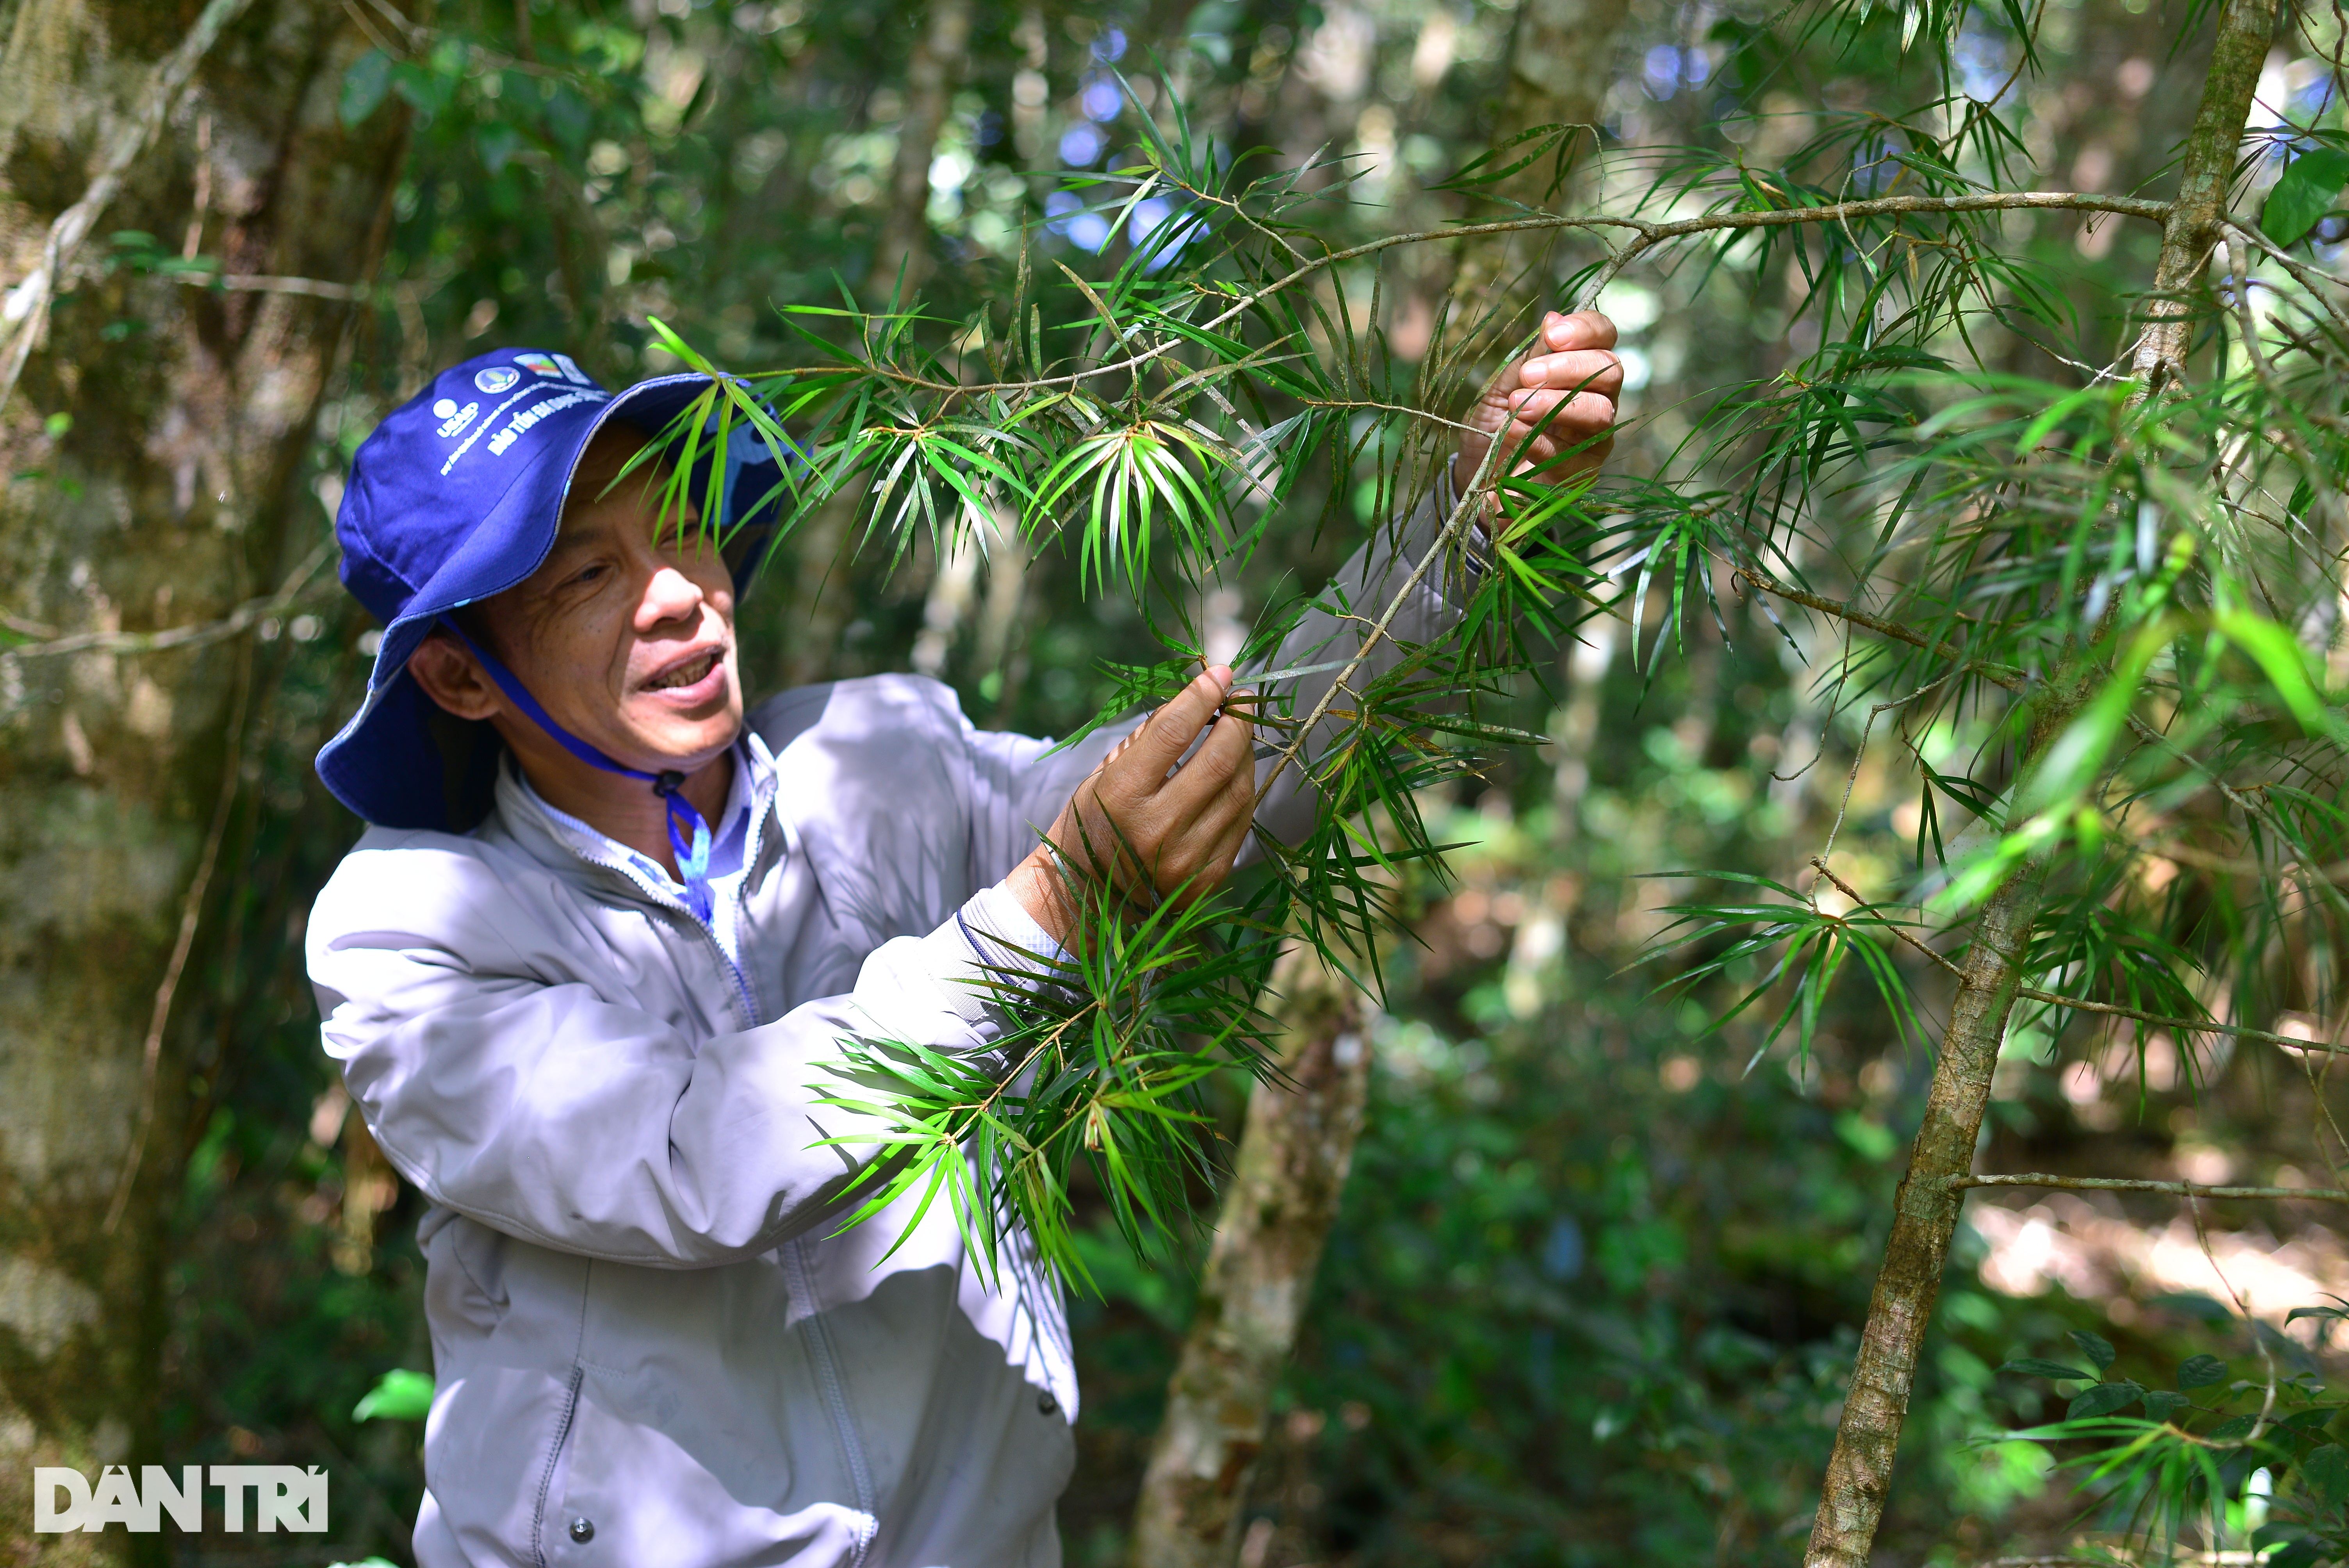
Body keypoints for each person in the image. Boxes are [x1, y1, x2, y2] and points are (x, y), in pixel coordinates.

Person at [306, 313, 1620, 1567]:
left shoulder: (877, 757)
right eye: (591, 573)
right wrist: (1047, 914)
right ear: (461, 677)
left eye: (687, 530)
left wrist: (1461, 527)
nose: (681, 599)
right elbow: (686, 1158)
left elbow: (1205, 782)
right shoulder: (408, 932)